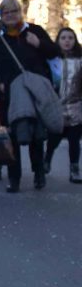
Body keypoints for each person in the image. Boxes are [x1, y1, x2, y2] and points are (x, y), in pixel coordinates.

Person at [0, 0, 59, 192]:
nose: (10, 15)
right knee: (12, 136)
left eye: (14, 11)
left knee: (36, 135)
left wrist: (39, 44)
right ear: (1, 16)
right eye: (6, 12)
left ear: (20, 12)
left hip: (35, 93)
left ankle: (39, 174)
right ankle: (14, 178)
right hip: (9, 95)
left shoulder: (35, 31)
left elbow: (55, 52)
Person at [46, 27, 82, 182]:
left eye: (70, 38)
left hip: (76, 108)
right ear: (58, 41)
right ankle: (47, 160)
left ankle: (74, 170)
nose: (67, 41)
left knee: (74, 140)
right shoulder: (51, 61)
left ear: (75, 41)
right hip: (56, 108)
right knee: (54, 138)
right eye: (63, 38)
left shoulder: (80, 61)